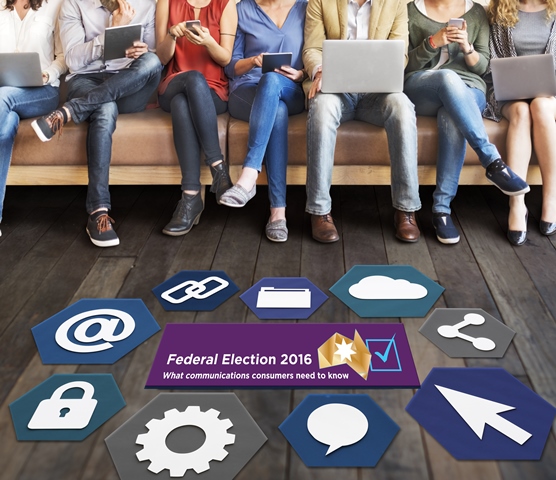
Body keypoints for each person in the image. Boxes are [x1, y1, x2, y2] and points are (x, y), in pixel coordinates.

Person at [31, 0, 162, 247]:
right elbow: (72, 60)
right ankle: (98, 213)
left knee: (153, 63)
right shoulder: (73, 4)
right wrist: (111, 34)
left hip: (129, 84)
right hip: (87, 80)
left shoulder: (146, 3)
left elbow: (153, 53)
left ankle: (69, 111)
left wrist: (142, 51)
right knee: (104, 108)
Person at [404, 0, 530, 245]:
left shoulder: (476, 13)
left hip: (469, 90)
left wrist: (467, 48)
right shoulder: (410, 10)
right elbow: (405, 64)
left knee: (451, 114)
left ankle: (441, 210)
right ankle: (492, 161)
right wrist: (433, 43)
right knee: (448, 77)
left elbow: (483, 67)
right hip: (423, 87)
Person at [303, 0, 422, 244]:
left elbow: (400, 54)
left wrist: (380, 71)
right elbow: (311, 48)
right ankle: (320, 210)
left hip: (376, 92)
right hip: (336, 91)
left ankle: (406, 209)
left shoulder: (396, 3)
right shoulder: (319, 1)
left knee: (402, 106)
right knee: (321, 107)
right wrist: (321, 70)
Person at [220, 0, 307, 243]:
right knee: (275, 110)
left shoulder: (305, 7)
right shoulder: (242, 10)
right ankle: (278, 213)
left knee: (271, 82)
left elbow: (315, 53)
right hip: (247, 90)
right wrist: (254, 61)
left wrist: (303, 74)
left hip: (290, 88)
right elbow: (230, 67)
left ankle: (248, 177)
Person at [156, 0, 237, 236]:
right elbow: (161, 58)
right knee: (192, 78)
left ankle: (190, 198)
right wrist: (171, 36)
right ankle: (218, 167)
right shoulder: (167, 2)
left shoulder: (226, 4)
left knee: (182, 104)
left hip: (213, 92)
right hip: (173, 83)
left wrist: (208, 42)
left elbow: (225, 58)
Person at [485, 0, 556, 245]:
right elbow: (492, 61)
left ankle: (551, 197)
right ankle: (517, 203)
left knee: (540, 106)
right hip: (509, 93)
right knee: (522, 112)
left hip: (550, 95)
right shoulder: (499, 10)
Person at [0, 0, 66, 237]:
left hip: (43, 91)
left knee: (3, 97)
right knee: (5, 127)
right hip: (5, 95)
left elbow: (64, 56)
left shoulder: (55, 5)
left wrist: (49, 73)